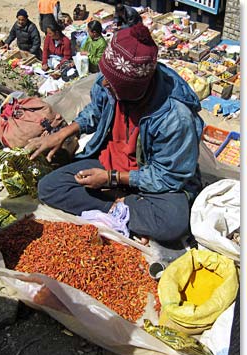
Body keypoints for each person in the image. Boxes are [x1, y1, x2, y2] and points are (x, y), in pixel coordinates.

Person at [26, 23, 204, 245]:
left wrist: (111, 178)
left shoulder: (175, 117)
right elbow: (96, 111)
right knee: (49, 187)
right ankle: (118, 210)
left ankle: (123, 205)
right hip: (109, 161)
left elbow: (168, 177)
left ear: (131, 89)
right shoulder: (109, 82)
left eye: (111, 84)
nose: (103, 84)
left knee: (173, 224)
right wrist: (64, 133)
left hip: (149, 177)